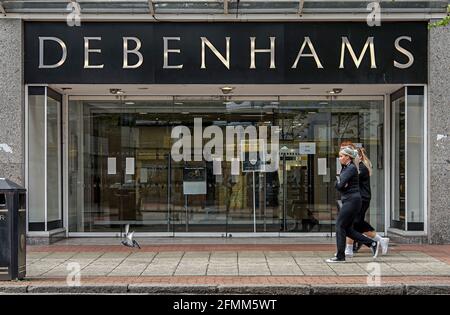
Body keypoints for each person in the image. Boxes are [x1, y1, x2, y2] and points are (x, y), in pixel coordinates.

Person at [326, 146, 379, 263]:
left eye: (341, 156)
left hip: (351, 201)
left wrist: (338, 182)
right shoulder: (347, 168)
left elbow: (339, 185)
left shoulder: (350, 169)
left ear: (347, 157)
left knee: (339, 226)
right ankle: (372, 243)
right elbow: (341, 184)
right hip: (350, 200)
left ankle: (340, 256)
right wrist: (340, 183)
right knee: (347, 229)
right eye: (339, 156)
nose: (339, 158)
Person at [345, 147, 389, 257]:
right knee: (356, 223)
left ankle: (350, 248)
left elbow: (348, 181)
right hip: (360, 198)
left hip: (362, 199)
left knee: (353, 223)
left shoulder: (361, 168)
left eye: (353, 156)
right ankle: (379, 240)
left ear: (359, 157)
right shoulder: (358, 167)